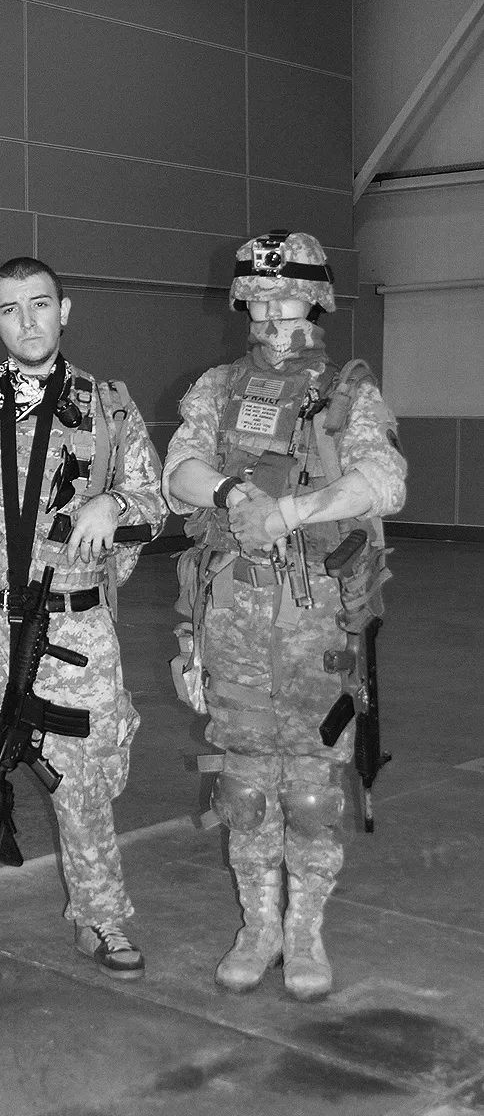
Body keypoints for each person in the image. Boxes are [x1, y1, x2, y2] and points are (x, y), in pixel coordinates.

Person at [0, 256, 166, 982]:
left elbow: (155, 499)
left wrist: (115, 503)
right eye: (10, 309)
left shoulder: (108, 406)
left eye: (40, 304)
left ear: (64, 310)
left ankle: (101, 918)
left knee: (83, 781)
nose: (27, 321)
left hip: (73, 626)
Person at [163, 232, 406, 1001]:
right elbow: (179, 473)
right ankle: (259, 926)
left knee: (310, 793)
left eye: (286, 297)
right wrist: (235, 493)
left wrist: (292, 511)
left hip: (317, 627)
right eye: (257, 299)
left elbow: (384, 481)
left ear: (317, 300)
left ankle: (305, 934)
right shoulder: (217, 387)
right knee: (243, 788)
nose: (271, 312)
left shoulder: (348, 393)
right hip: (231, 620)